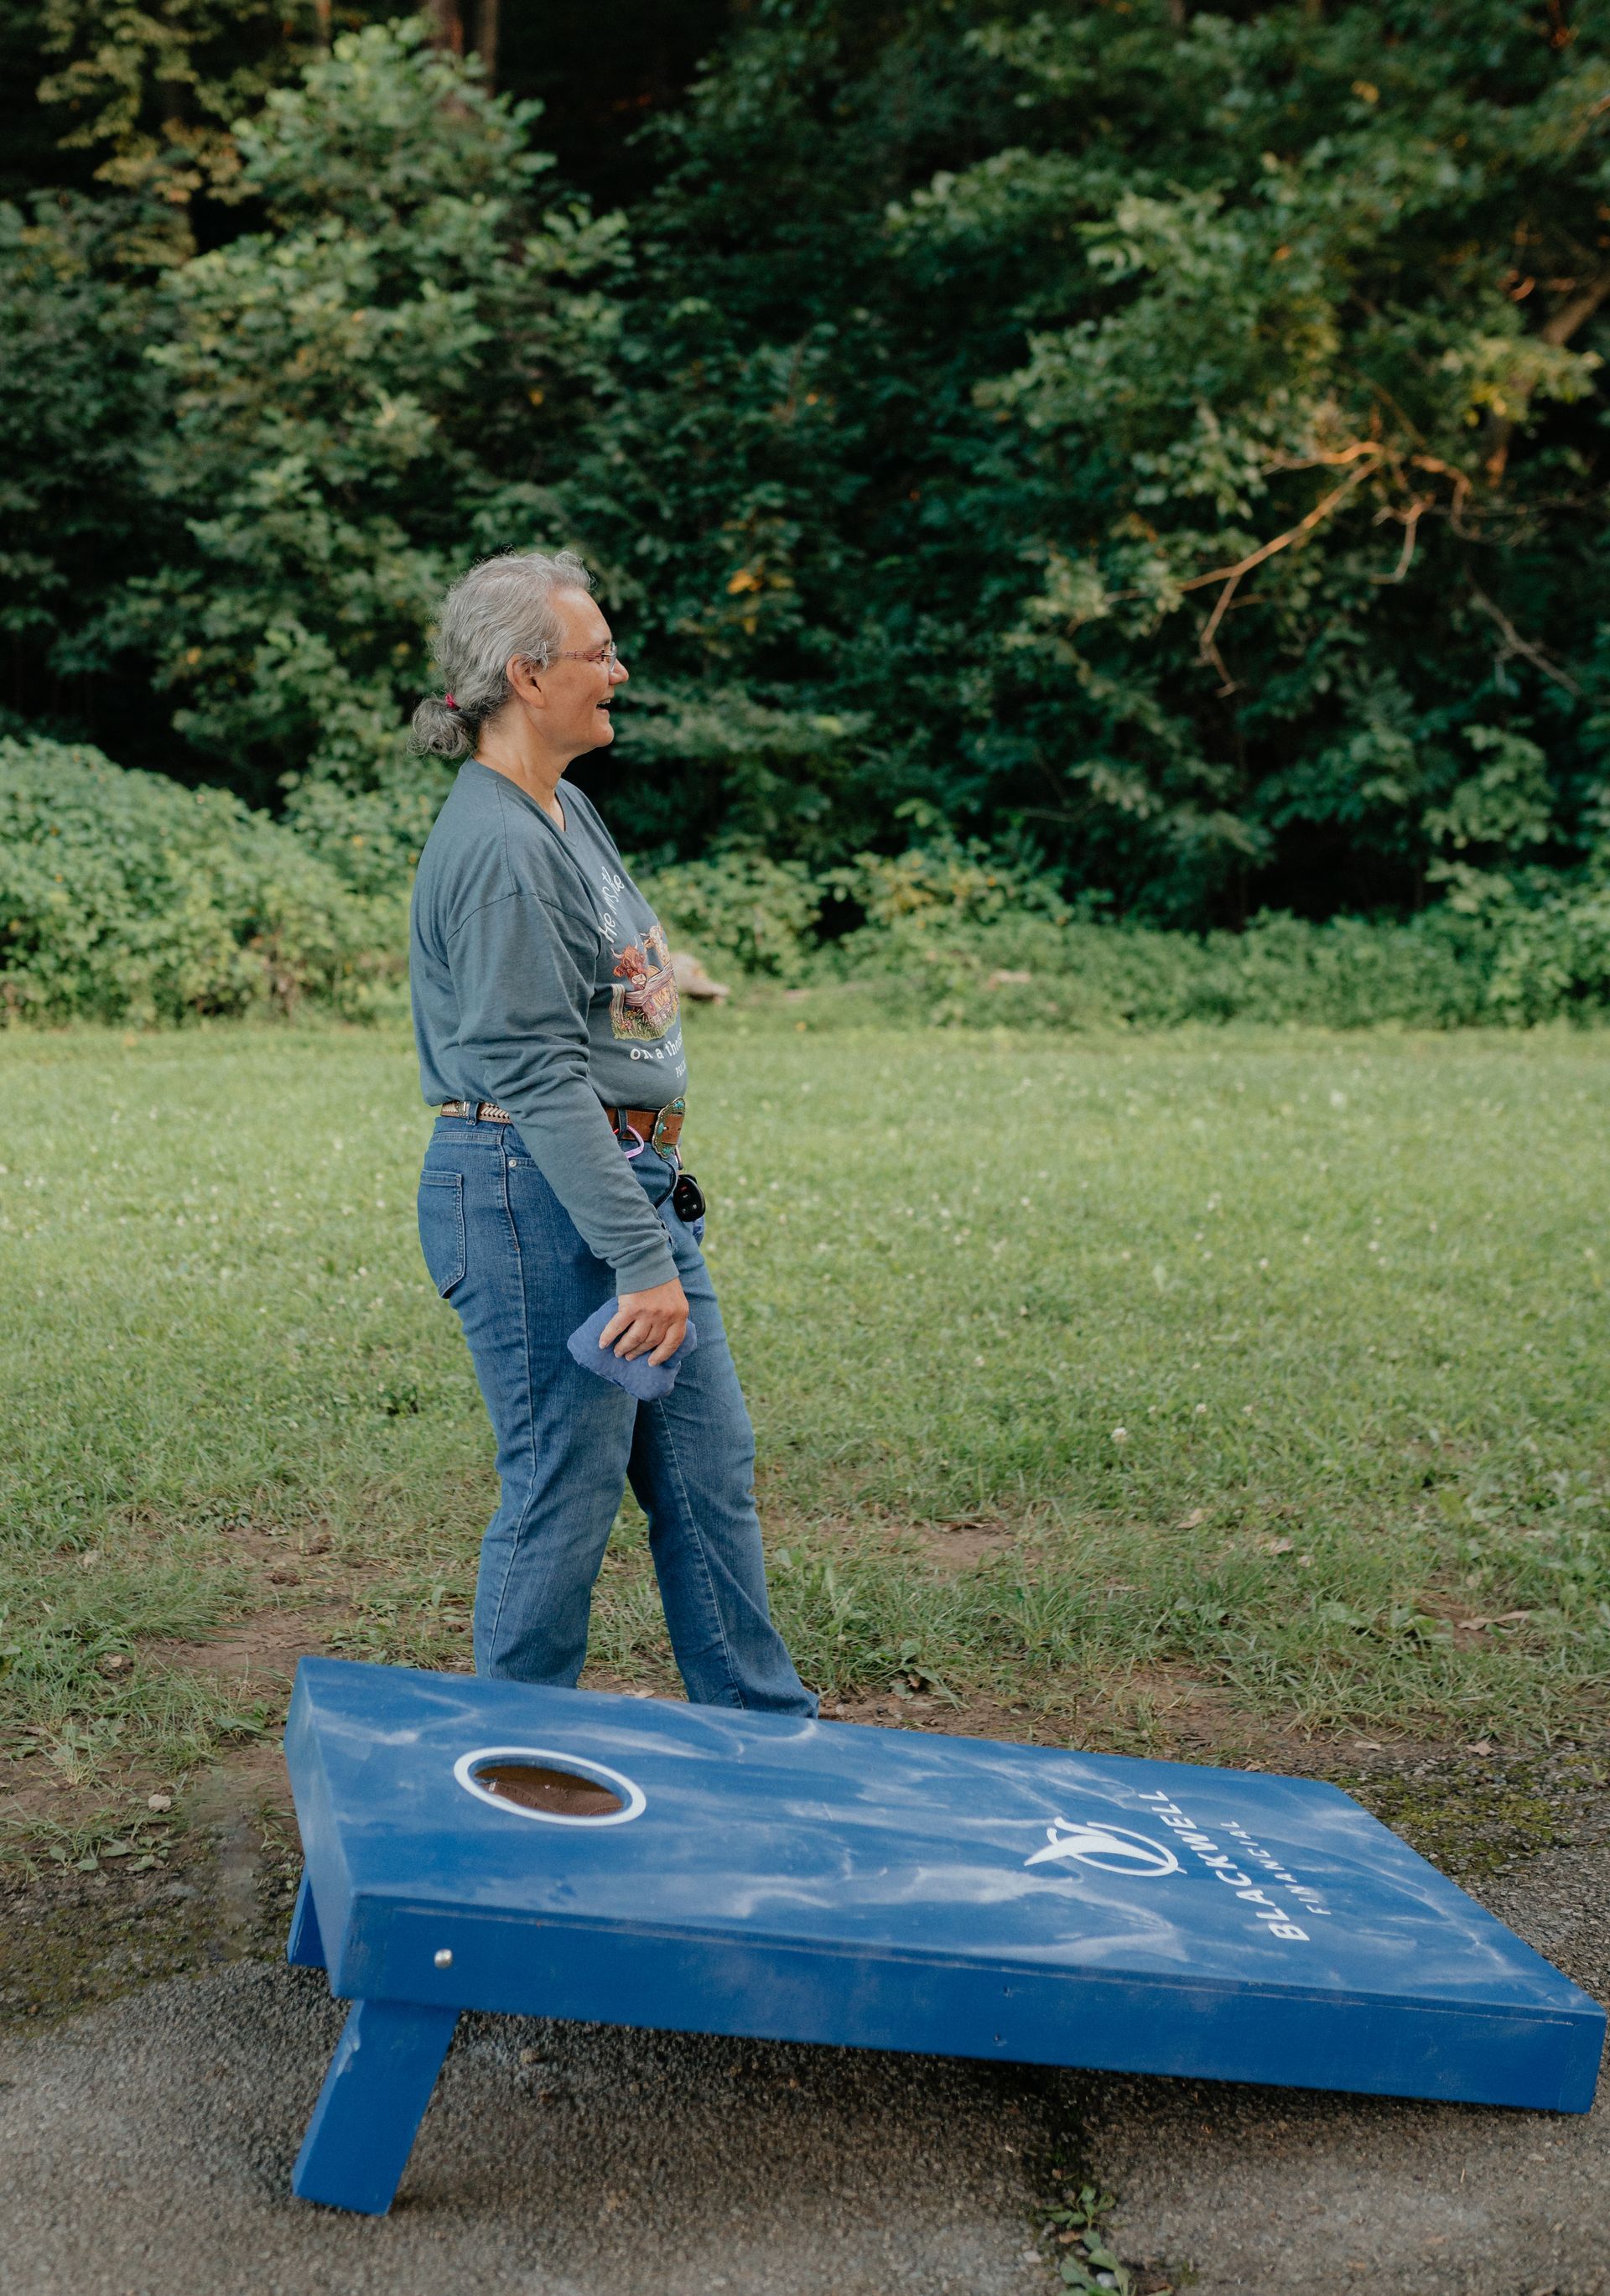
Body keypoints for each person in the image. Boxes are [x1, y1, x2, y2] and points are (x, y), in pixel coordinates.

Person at [408, 548, 815, 1716]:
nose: (619, 672)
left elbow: (587, 983)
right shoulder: (497, 847)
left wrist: (659, 983)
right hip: (538, 1195)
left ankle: (762, 1740)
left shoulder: (564, 808)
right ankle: (512, 1768)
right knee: (565, 1486)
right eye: (598, 655)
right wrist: (641, 1261)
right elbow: (535, 1074)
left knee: (705, 1468)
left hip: (625, 1181)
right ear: (528, 676)